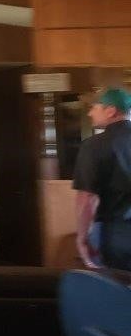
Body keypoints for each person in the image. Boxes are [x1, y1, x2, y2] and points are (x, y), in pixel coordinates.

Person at [73, 87, 131, 269]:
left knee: (115, 284)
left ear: (111, 110)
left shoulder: (93, 146)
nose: (90, 113)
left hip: (114, 234)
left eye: (94, 107)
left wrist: (82, 237)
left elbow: (86, 199)